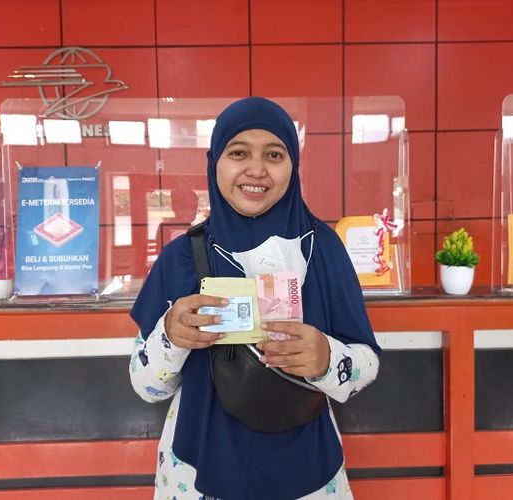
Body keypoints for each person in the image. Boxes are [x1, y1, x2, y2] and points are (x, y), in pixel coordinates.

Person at [129, 97, 380, 499]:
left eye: (274, 154)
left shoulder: (322, 249)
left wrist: (327, 359)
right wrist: (170, 337)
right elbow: (147, 388)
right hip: (195, 474)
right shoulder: (181, 258)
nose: (257, 169)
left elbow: (366, 364)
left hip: (307, 474)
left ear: (293, 165)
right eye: (238, 152)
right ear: (215, 162)